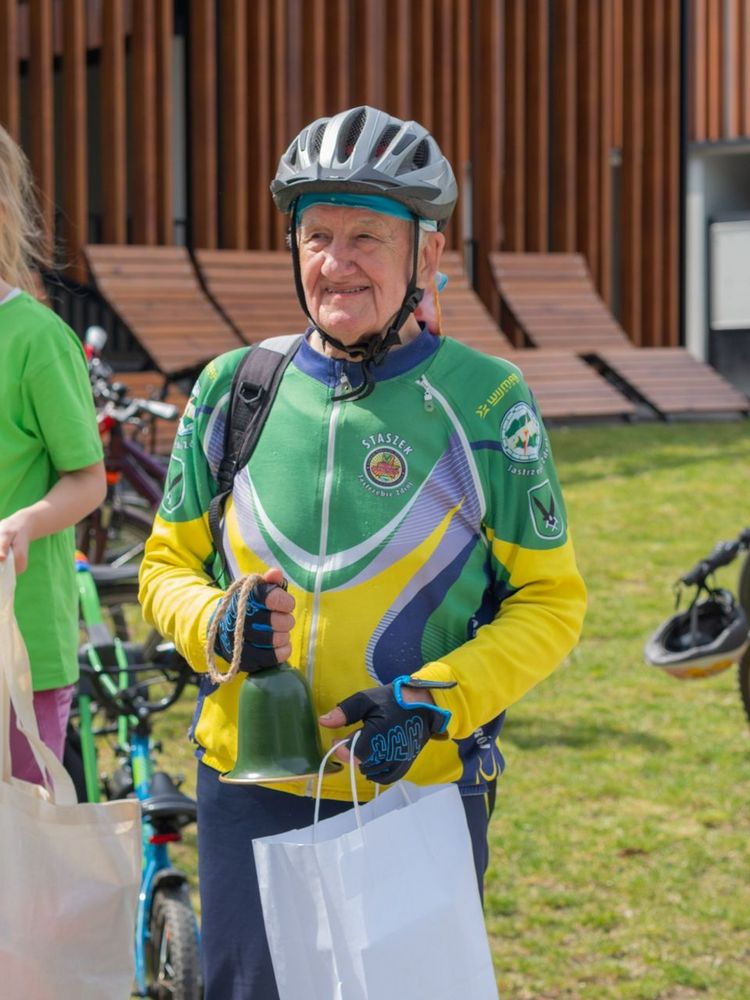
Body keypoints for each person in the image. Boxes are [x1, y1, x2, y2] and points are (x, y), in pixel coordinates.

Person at [139, 105, 587, 999]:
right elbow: (164, 566)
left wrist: (433, 702)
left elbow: (550, 603)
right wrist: (214, 622)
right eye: (317, 236)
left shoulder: (487, 402)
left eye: (367, 239)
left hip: (414, 788)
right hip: (248, 785)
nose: (335, 263)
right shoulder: (235, 388)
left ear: (426, 253)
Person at [0, 125, 106, 783]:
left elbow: (88, 479)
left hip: (23, 647)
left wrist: (25, 522)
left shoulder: (38, 339)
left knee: (22, 835)